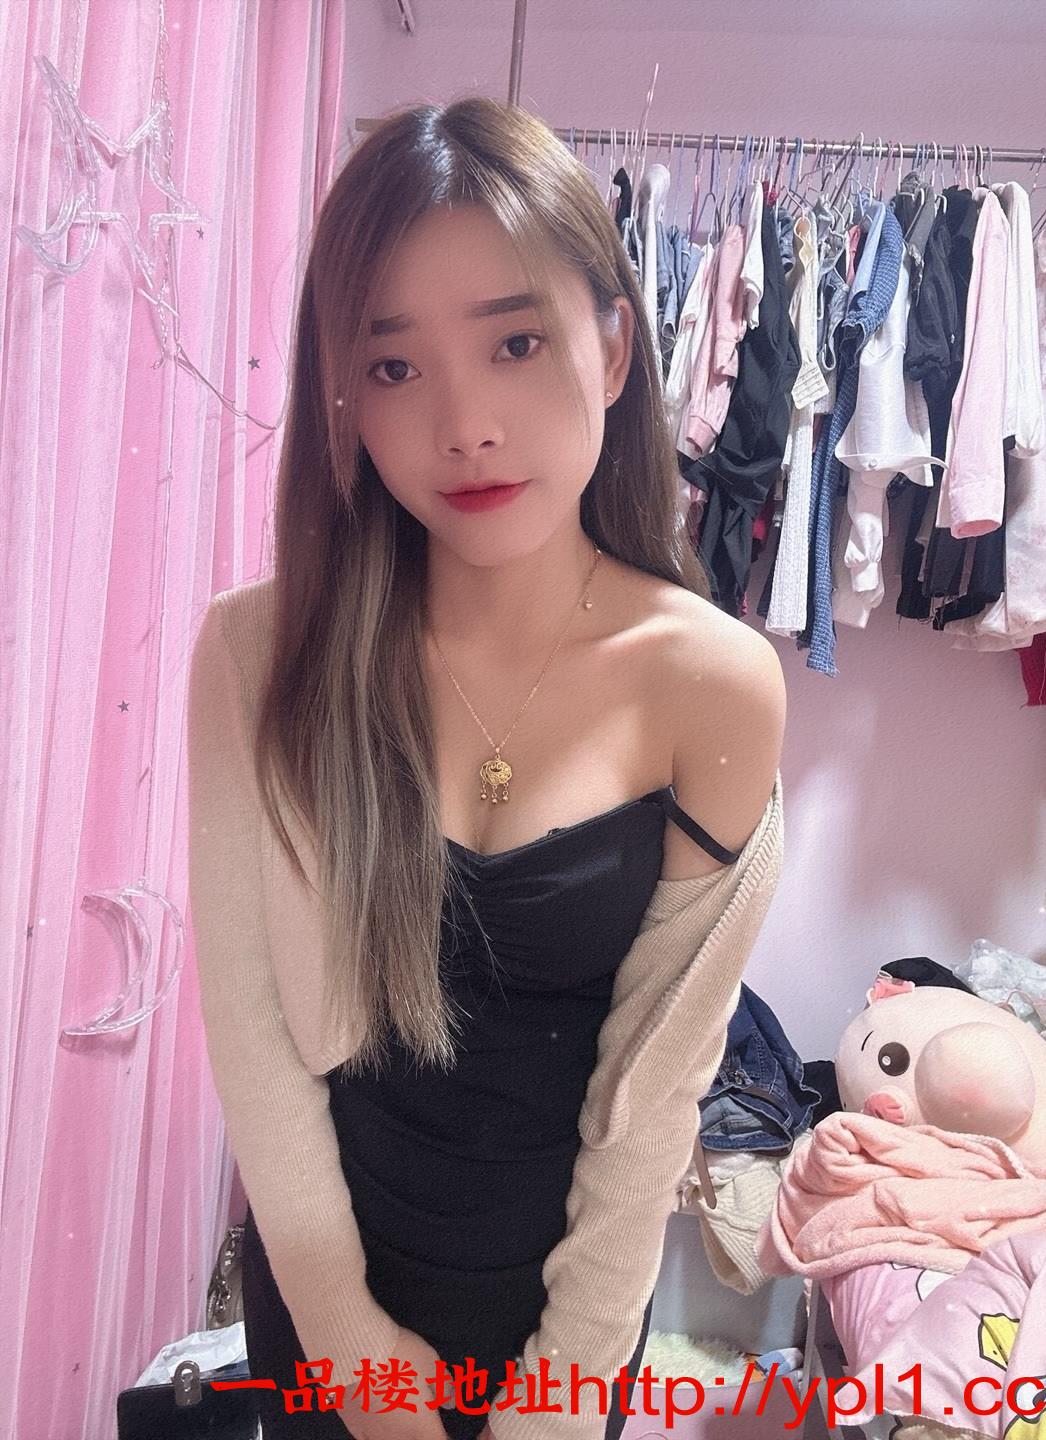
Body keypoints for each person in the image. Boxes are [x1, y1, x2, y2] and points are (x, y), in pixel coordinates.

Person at [186, 97, 786, 1440]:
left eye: (515, 343)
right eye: (394, 366)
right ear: (343, 392)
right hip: (328, 1313)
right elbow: (255, 1038)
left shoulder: (711, 684)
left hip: (568, 1323)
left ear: (612, 346)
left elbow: (653, 1099)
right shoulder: (257, 656)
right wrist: (351, 1357)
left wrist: (560, 1398)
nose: (463, 424)